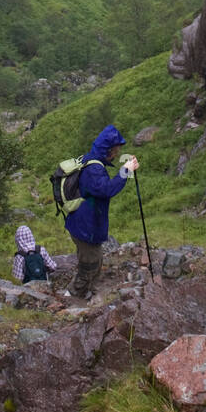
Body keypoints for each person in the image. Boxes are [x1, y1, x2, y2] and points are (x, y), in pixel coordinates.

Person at [64, 125, 139, 299]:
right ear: (108, 149)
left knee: (94, 259)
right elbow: (106, 190)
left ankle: (85, 290)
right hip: (85, 226)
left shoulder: (90, 160)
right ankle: (73, 296)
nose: (118, 153)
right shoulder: (94, 169)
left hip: (83, 222)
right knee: (90, 263)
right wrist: (125, 170)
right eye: (116, 150)